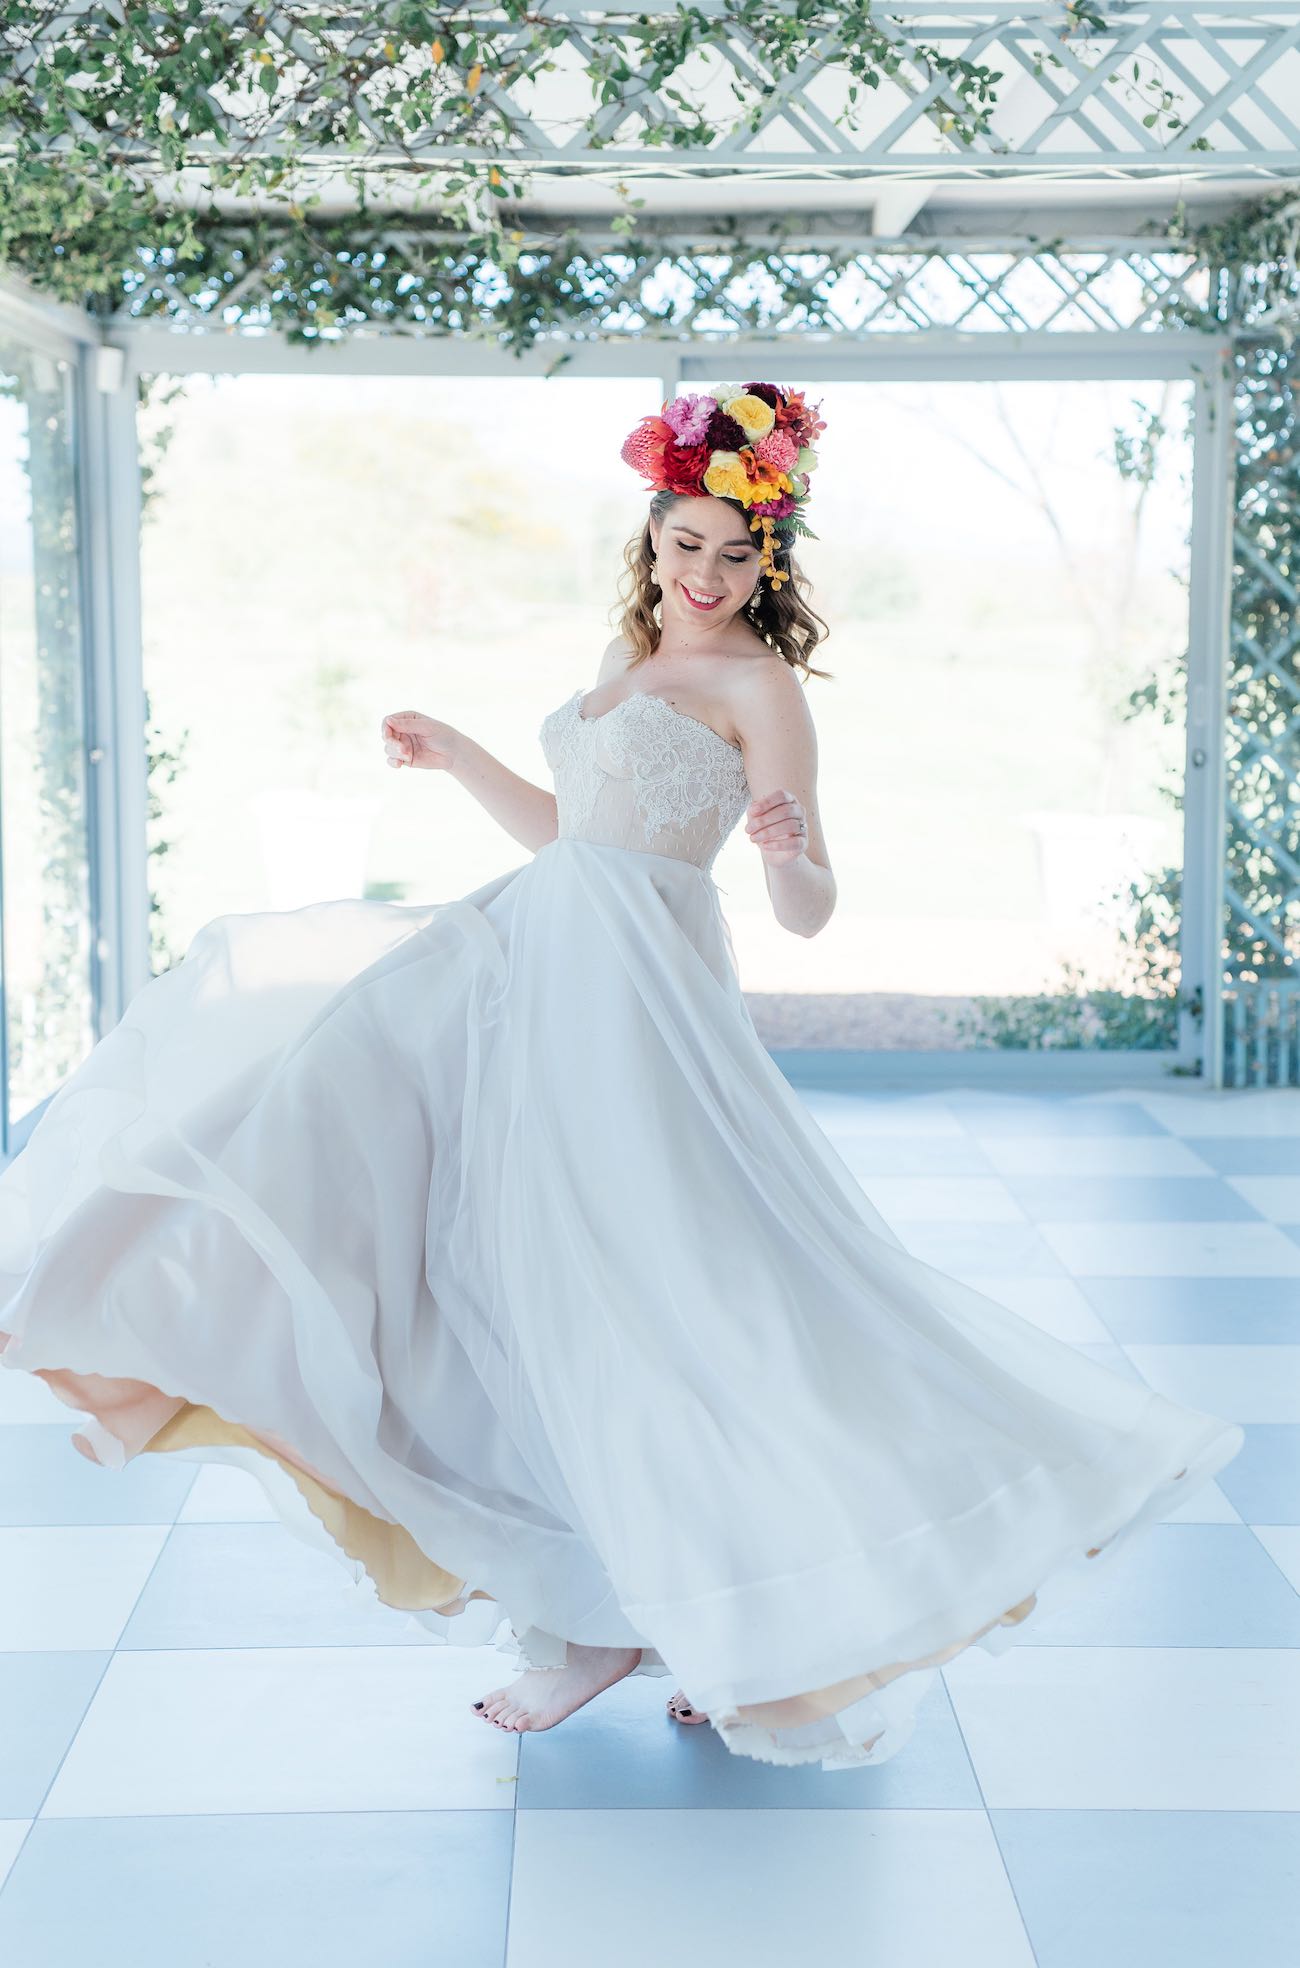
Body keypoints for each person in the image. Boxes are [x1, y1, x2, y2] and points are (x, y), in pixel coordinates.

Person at [0, 383, 1245, 1771]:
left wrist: (784, 846)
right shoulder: (623, 650)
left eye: (733, 552)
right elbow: (573, 835)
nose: (703, 575)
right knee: (350, 1154)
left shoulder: (760, 687)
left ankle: (696, 1617)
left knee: (655, 1297)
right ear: (651, 538)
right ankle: (124, 1310)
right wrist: (459, 754)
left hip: (638, 1004)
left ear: (769, 559)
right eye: (684, 545)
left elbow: (810, 907)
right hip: (527, 957)